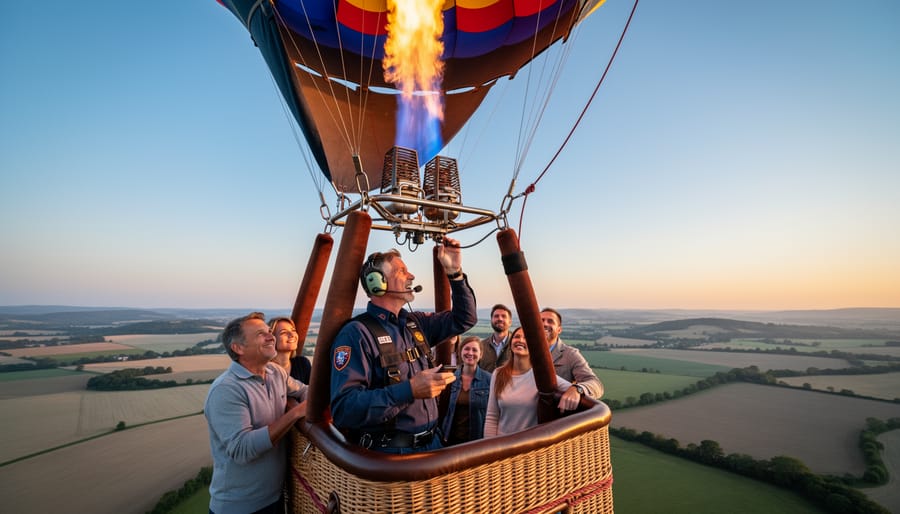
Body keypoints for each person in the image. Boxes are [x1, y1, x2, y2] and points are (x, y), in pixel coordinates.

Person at [330, 237, 477, 453]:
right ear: (377, 283)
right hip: (391, 455)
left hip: (432, 445)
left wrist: (455, 273)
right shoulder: (357, 334)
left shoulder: (415, 324)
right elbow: (345, 408)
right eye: (402, 271)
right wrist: (409, 390)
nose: (412, 276)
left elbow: (465, 318)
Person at [204, 312, 308, 514]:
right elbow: (242, 449)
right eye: (261, 334)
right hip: (239, 507)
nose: (271, 337)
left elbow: (304, 391)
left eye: (270, 332)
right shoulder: (226, 390)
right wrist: (294, 414)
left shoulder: (275, 372)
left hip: (275, 498)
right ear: (238, 348)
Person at [483, 327, 575, 437]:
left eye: (526, 338)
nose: (520, 340)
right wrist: (491, 447)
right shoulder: (498, 374)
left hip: (528, 445)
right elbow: (492, 416)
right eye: (517, 337)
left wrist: (577, 389)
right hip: (502, 444)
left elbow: (574, 389)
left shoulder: (541, 376)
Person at [541, 307, 604, 400]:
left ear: (559, 330)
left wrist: (578, 389)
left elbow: (596, 385)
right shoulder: (523, 350)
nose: (544, 324)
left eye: (550, 321)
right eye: (541, 320)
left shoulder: (570, 354)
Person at [439, 335, 491, 445]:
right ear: (460, 352)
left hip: (476, 441)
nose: (470, 353)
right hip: (450, 439)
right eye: (467, 349)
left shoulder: (489, 380)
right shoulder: (451, 379)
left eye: (474, 350)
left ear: (481, 355)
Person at [268, 316, 312, 384]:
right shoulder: (264, 369)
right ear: (271, 339)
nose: (292, 335)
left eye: (293, 330)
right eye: (284, 332)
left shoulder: (302, 364)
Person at [479, 303, 512, 372]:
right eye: (496, 316)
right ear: (491, 320)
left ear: (510, 322)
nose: (500, 319)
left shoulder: (515, 345)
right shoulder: (481, 345)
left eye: (504, 316)